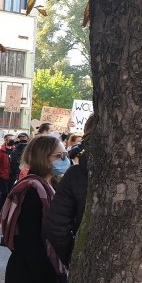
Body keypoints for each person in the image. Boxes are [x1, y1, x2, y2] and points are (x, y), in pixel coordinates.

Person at [0, 135, 67, 283]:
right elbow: (29, 242)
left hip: (43, 278)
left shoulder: (48, 188)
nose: (64, 159)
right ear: (43, 158)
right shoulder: (33, 192)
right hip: (33, 281)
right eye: (59, 155)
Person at [45, 114, 97, 268]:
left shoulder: (75, 175)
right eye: (60, 156)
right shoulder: (76, 175)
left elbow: (57, 226)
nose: (64, 159)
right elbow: (56, 226)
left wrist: (73, 259)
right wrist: (72, 258)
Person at [0, 134, 15, 214]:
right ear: (6, 141)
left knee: (10, 195)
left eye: (13, 139)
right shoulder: (0, 152)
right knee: (4, 195)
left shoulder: (15, 151)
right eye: (11, 139)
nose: (13, 141)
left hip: (12, 177)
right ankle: (0, 212)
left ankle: (7, 212)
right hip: (3, 177)